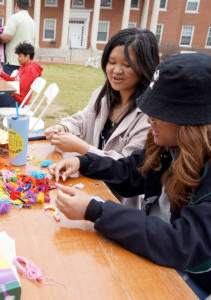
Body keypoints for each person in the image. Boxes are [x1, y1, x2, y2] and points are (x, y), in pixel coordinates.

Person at [49, 53, 211, 297]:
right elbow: (130, 173)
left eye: (161, 112)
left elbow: (183, 244)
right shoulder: (169, 146)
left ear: (192, 122)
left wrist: (97, 211)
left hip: (191, 279)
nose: (149, 119)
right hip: (151, 249)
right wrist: (82, 162)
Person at [46, 28, 160, 208]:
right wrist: (64, 128)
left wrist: (82, 148)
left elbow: (127, 168)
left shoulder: (149, 117)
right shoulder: (103, 95)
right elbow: (82, 120)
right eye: (111, 62)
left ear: (145, 67)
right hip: (88, 187)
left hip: (117, 202)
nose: (116, 70)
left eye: (127, 65)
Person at [0, 43, 42, 124]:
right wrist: (2, 74)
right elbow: (14, 80)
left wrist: (4, 86)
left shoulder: (30, 69)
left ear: (27, 56)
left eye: (20, 56)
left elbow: (21, 86)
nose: (18, 59)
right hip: (13, 96)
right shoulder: (23, 66)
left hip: (18, 101)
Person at [0, 0, 36, 75]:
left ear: (16, 6)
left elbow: (6, 37)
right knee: (21, 85)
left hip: (13, 61)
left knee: (11, 85)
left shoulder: (14, 18)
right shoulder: (32, 22)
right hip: (26, 61)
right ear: (27, 7)